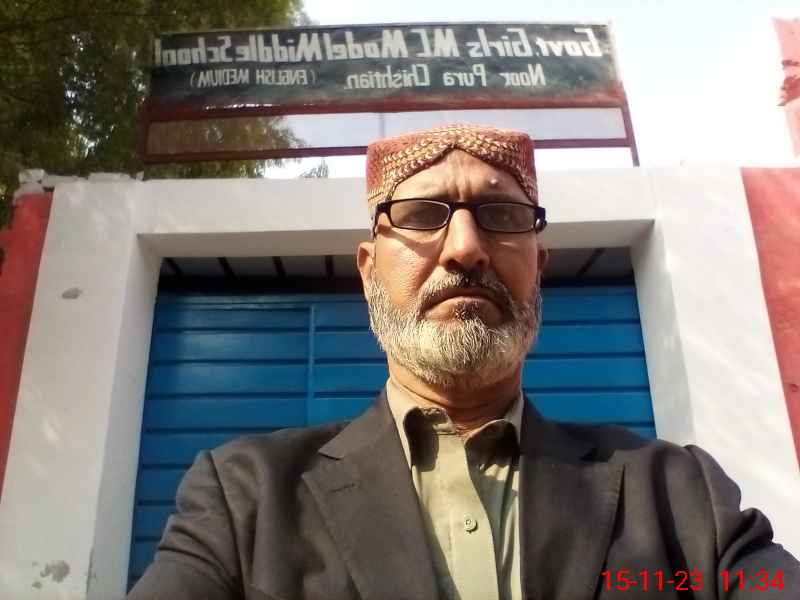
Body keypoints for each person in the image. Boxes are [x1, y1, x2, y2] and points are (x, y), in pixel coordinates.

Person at [128, 124, 800, 599]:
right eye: (422, 215)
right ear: (368, 271)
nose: (465, 248)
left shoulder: (681, 497)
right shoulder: (245, 498)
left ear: (538, 267)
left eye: (502, 214)